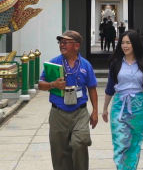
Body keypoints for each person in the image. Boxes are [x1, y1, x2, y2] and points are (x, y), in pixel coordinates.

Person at [38, 30, 99, 170]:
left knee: (80, 143)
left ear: (76, 46)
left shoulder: (85, 65)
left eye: (66, 42)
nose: (62, 45)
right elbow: (40, 85)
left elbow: (92, 88)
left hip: (80, 112)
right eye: (60, 42)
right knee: (60, 152)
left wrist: (95, 111)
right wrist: (53, 84)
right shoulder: (53, 63)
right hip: (58, 113)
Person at [102, 30, 143, 170]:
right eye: (122, 43)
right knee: (120, 143)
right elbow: (110, 88)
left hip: (138, 106)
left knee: (134, 144)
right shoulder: (116, 64)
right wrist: (104, 109)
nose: (124, 46)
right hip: (119, 106)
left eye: (128, 42)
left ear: (135, 44)